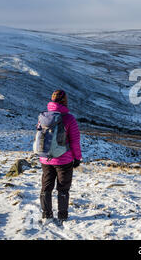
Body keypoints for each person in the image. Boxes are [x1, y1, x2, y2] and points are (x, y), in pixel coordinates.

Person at [39, 89, 82, 225]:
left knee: (46, 187)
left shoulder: (44, 116)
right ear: (64, 101)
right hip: (64, 159)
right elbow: (75, 141)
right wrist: (77, 158)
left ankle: (47, 215)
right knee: (63, 188)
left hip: (45, 158)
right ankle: (62, 216)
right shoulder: (69, 118)